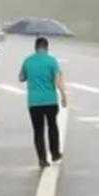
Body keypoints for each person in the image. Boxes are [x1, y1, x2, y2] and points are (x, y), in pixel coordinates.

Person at [19, 36, 67, 168]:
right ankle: (55, 153)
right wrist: (63, 96)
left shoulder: (28, 61)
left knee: (38, 130)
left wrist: (30, 75)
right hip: (50, 100)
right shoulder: (52, 61)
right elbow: (57, 81)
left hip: (34, 103)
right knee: (52, 126)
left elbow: (21, 77)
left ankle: (42, 159)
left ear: (35, 47)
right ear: (47, 47)